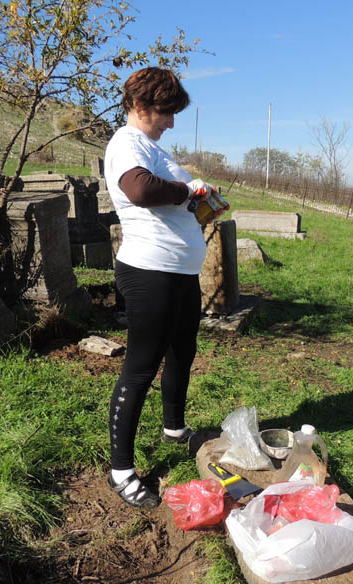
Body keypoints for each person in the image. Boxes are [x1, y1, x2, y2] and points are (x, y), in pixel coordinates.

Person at [104, 67, 215, 509]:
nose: (170, 122)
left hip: (179, 272)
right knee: (140, 367)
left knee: (182, 350)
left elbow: (168, 195)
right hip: (150, 271)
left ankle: (173, 428)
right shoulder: (125, 142)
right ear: (140, 105)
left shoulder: (150, 147)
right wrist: (187, 190)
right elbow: (139, 189)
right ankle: (120, 471)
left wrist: (200, 201)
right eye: (166, 112)